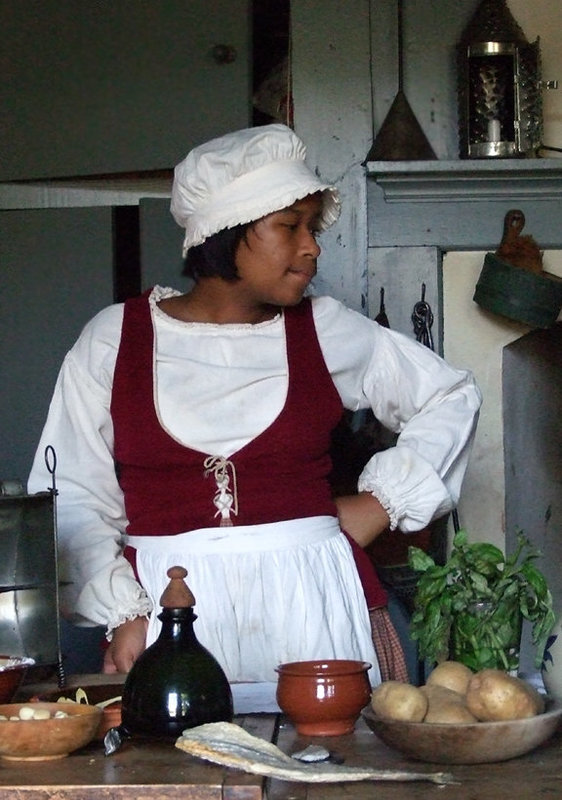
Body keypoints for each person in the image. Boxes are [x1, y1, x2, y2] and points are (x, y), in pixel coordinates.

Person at [28, 124, 481, 693]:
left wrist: (380, 503)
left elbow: (450, 394)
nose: (312, 246)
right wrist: (125, 612)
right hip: (168, 612)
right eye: (290, 227)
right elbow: (72, 491)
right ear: (227, 229)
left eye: (312, 228)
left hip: (313, 595)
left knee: (326, 762)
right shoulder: (114, 340)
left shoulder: (325, 330)